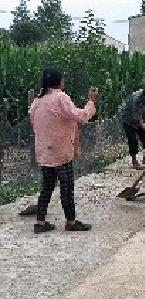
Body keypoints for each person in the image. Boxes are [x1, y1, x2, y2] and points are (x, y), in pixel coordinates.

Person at [29, 67, 99, 234]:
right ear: (58, 81)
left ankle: (40, 222)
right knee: (66, 188)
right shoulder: (60, 97)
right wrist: (91, 101)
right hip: (61, 151)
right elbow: (80, 116)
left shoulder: (37, 101)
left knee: (46, 187)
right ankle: (71, 221)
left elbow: (35, 122)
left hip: (45, 151)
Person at [122, 83, 145, 169]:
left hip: (141, 120)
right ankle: (134, 162)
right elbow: (138, 118)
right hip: (129, 121)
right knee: (133, 140)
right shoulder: (137, 98)